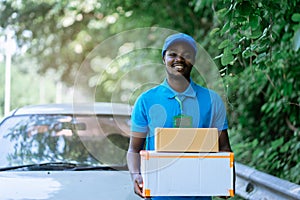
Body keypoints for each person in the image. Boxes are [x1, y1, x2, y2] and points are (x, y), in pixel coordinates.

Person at [127, 33, 234, 200]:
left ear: (194, 61)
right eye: (173, 54)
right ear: (164, 59)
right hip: (159, 195)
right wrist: (135, 175)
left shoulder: (212, 100)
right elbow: (134, 149)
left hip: (200, 196)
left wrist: (226, 180)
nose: (179, 59)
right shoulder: (146, 101)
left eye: (186, 55)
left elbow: (224, 148)